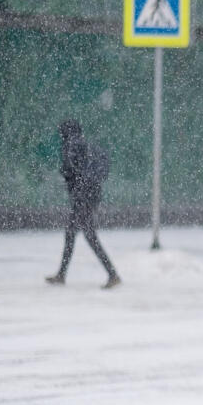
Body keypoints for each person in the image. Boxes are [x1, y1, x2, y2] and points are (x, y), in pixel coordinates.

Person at [46, 118, 121, 289]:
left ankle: (113, 274)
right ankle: (62, 274)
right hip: (90, 195)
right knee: (72, 233)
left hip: (82, 197)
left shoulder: (71, 146)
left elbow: (70, 172)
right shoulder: (85, 145)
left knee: (88, 236)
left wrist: (68, 177)